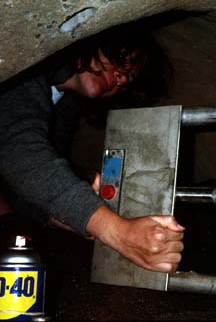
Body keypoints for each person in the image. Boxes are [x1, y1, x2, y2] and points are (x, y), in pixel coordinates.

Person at [0, 24, 185, 273]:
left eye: (127, 79)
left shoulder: (63, 109)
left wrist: (65, 215)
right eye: (121, 63)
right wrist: (116, 230)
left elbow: (27, 186)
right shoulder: (25, 68)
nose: (120, 79)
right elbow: (20, 153)